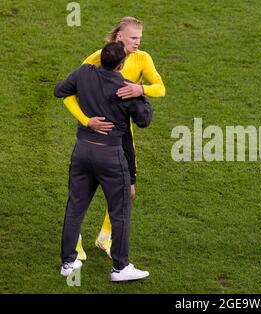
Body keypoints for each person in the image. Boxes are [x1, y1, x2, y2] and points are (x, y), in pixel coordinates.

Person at [63, 16, 166, 260]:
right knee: (81, 195)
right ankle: (74, 242)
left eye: (140, 38)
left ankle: (105, 237)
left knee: (127, 191)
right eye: (133, 38)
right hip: (96, 138)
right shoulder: (99, 58)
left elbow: (160, 87)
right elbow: (69, 91)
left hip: (123, 138)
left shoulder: (143, 59)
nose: (138, 42)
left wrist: (141, 89)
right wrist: (86, 120)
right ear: (119, 37)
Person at [55, 42, 153, 281]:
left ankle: (68, 262)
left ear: (100, 59)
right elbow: (143, 120)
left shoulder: (83, 73)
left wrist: (87, 119)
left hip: (82, 152)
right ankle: (120, 268)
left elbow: (60, 91)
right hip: (110, 156)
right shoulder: (126, 88)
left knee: (75, 206)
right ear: (121, 64)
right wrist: (141, 92)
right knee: (119, 211)